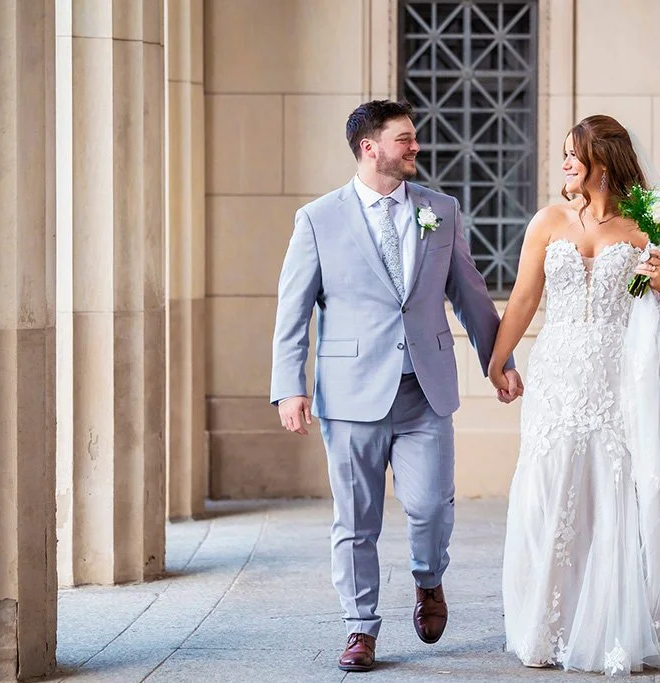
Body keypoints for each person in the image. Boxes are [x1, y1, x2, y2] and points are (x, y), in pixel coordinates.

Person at [270, 100, 523, 673]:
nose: (415, 148)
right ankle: (360, 628)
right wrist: (290, 385)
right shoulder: (318, 219)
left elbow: (470, 293)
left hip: (424, 390)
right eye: (404, 139)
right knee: (355, 519)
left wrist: (498, 359)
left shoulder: (441, 209)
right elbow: (294, 310)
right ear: (370, 148)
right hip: (351, 392)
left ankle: (428, 580)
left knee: (431, 506)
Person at [489, 115, 660, 675]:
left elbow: (654, 298)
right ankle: (550, 625)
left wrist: (658, 277)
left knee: (613, 491)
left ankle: (611, 627)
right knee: (550, 490)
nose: (563, 166)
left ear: (600, 162)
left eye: (571, 156)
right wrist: (497, 359)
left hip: (617, 377)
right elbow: (525, 298)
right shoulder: (548, 221)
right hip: (557, 375)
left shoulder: (645, 228)